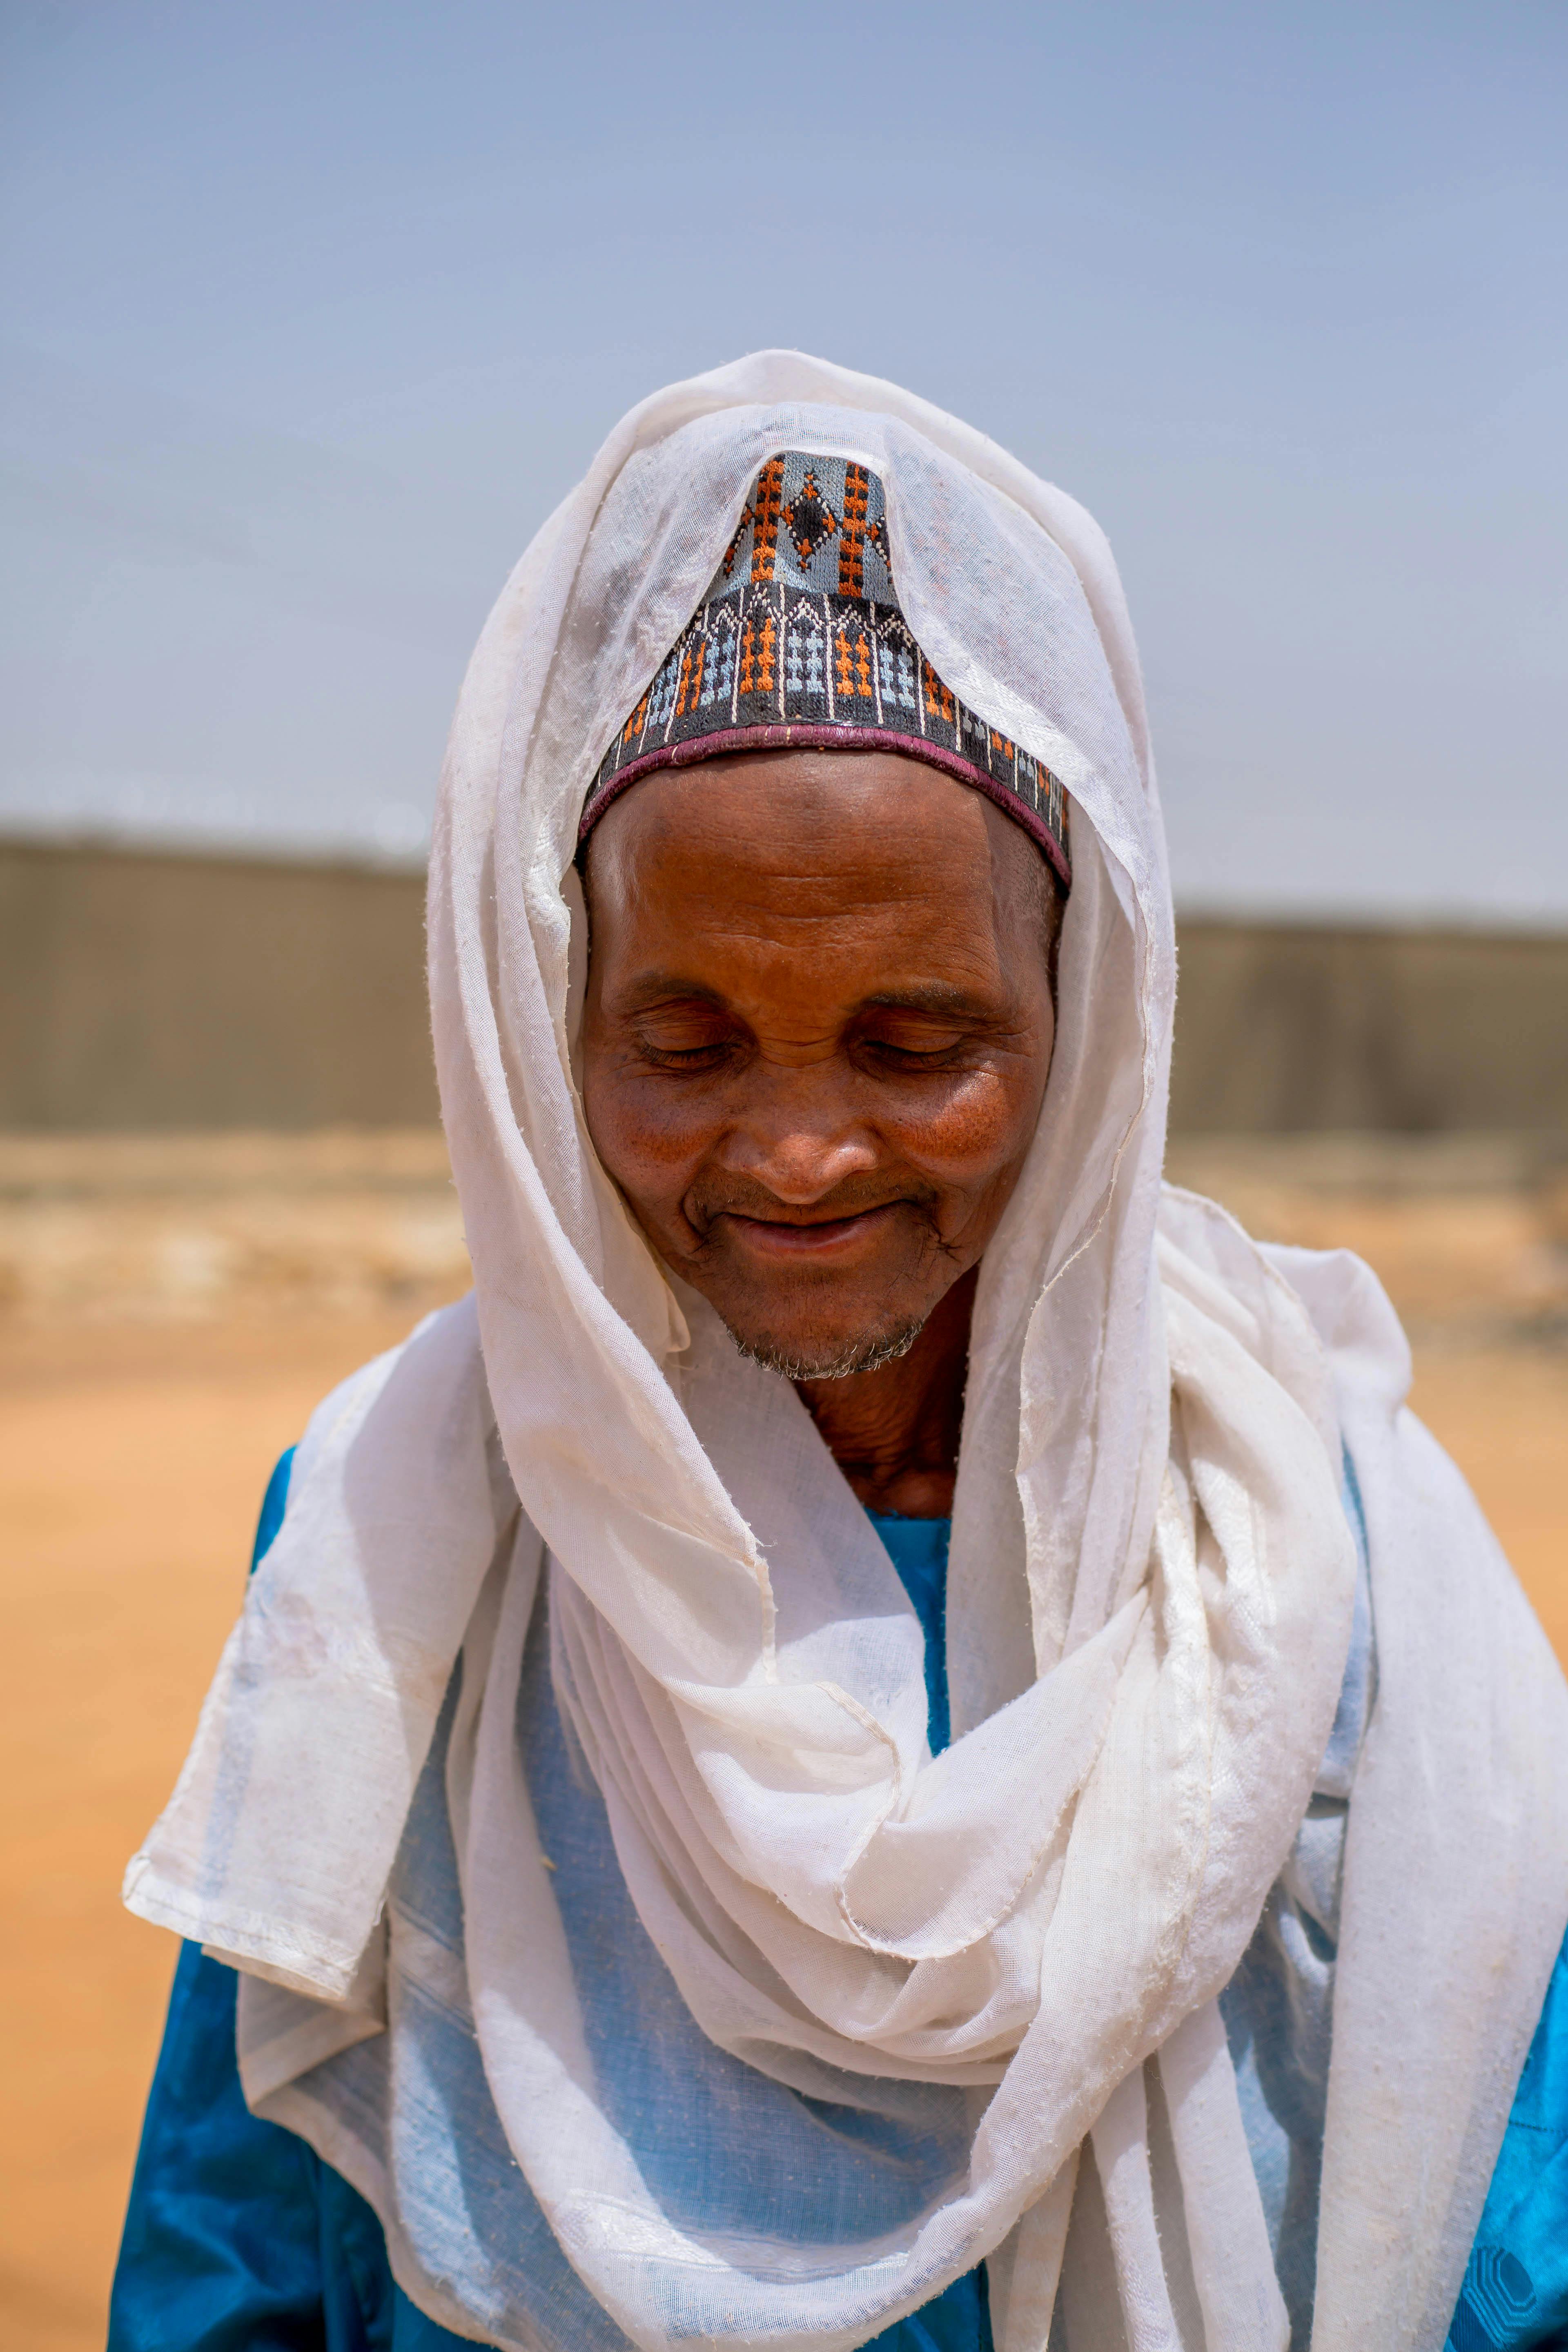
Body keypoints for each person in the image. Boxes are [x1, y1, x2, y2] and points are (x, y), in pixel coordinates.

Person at [111, 360, 1568, 2352]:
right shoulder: (412, 1513)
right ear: (552, 1028)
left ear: (1088, 1022)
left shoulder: (1304, 1545)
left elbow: (1502, 2218)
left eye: (918, 1044)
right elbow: (244, 2249)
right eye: (684, 1045)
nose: (799, 1154)